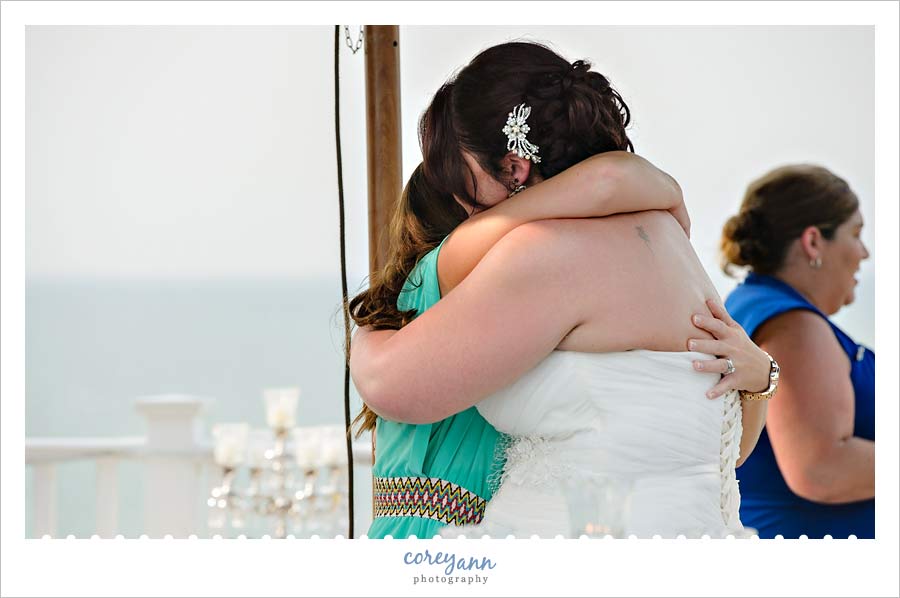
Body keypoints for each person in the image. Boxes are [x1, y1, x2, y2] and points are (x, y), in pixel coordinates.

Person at [350, 41, 775, 538]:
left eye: (457, 169)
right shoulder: (669, 238)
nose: (459, 199)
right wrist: (765, 379)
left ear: (513, 167)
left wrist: (369, 327)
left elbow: (392, 386)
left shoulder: (545, 251)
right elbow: (716, 450)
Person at [721, 164, 874, 539]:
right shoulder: (792, 326)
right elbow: (820, 467)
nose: (864, 253)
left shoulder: (749, 305)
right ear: (813, 242)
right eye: (856, 234)